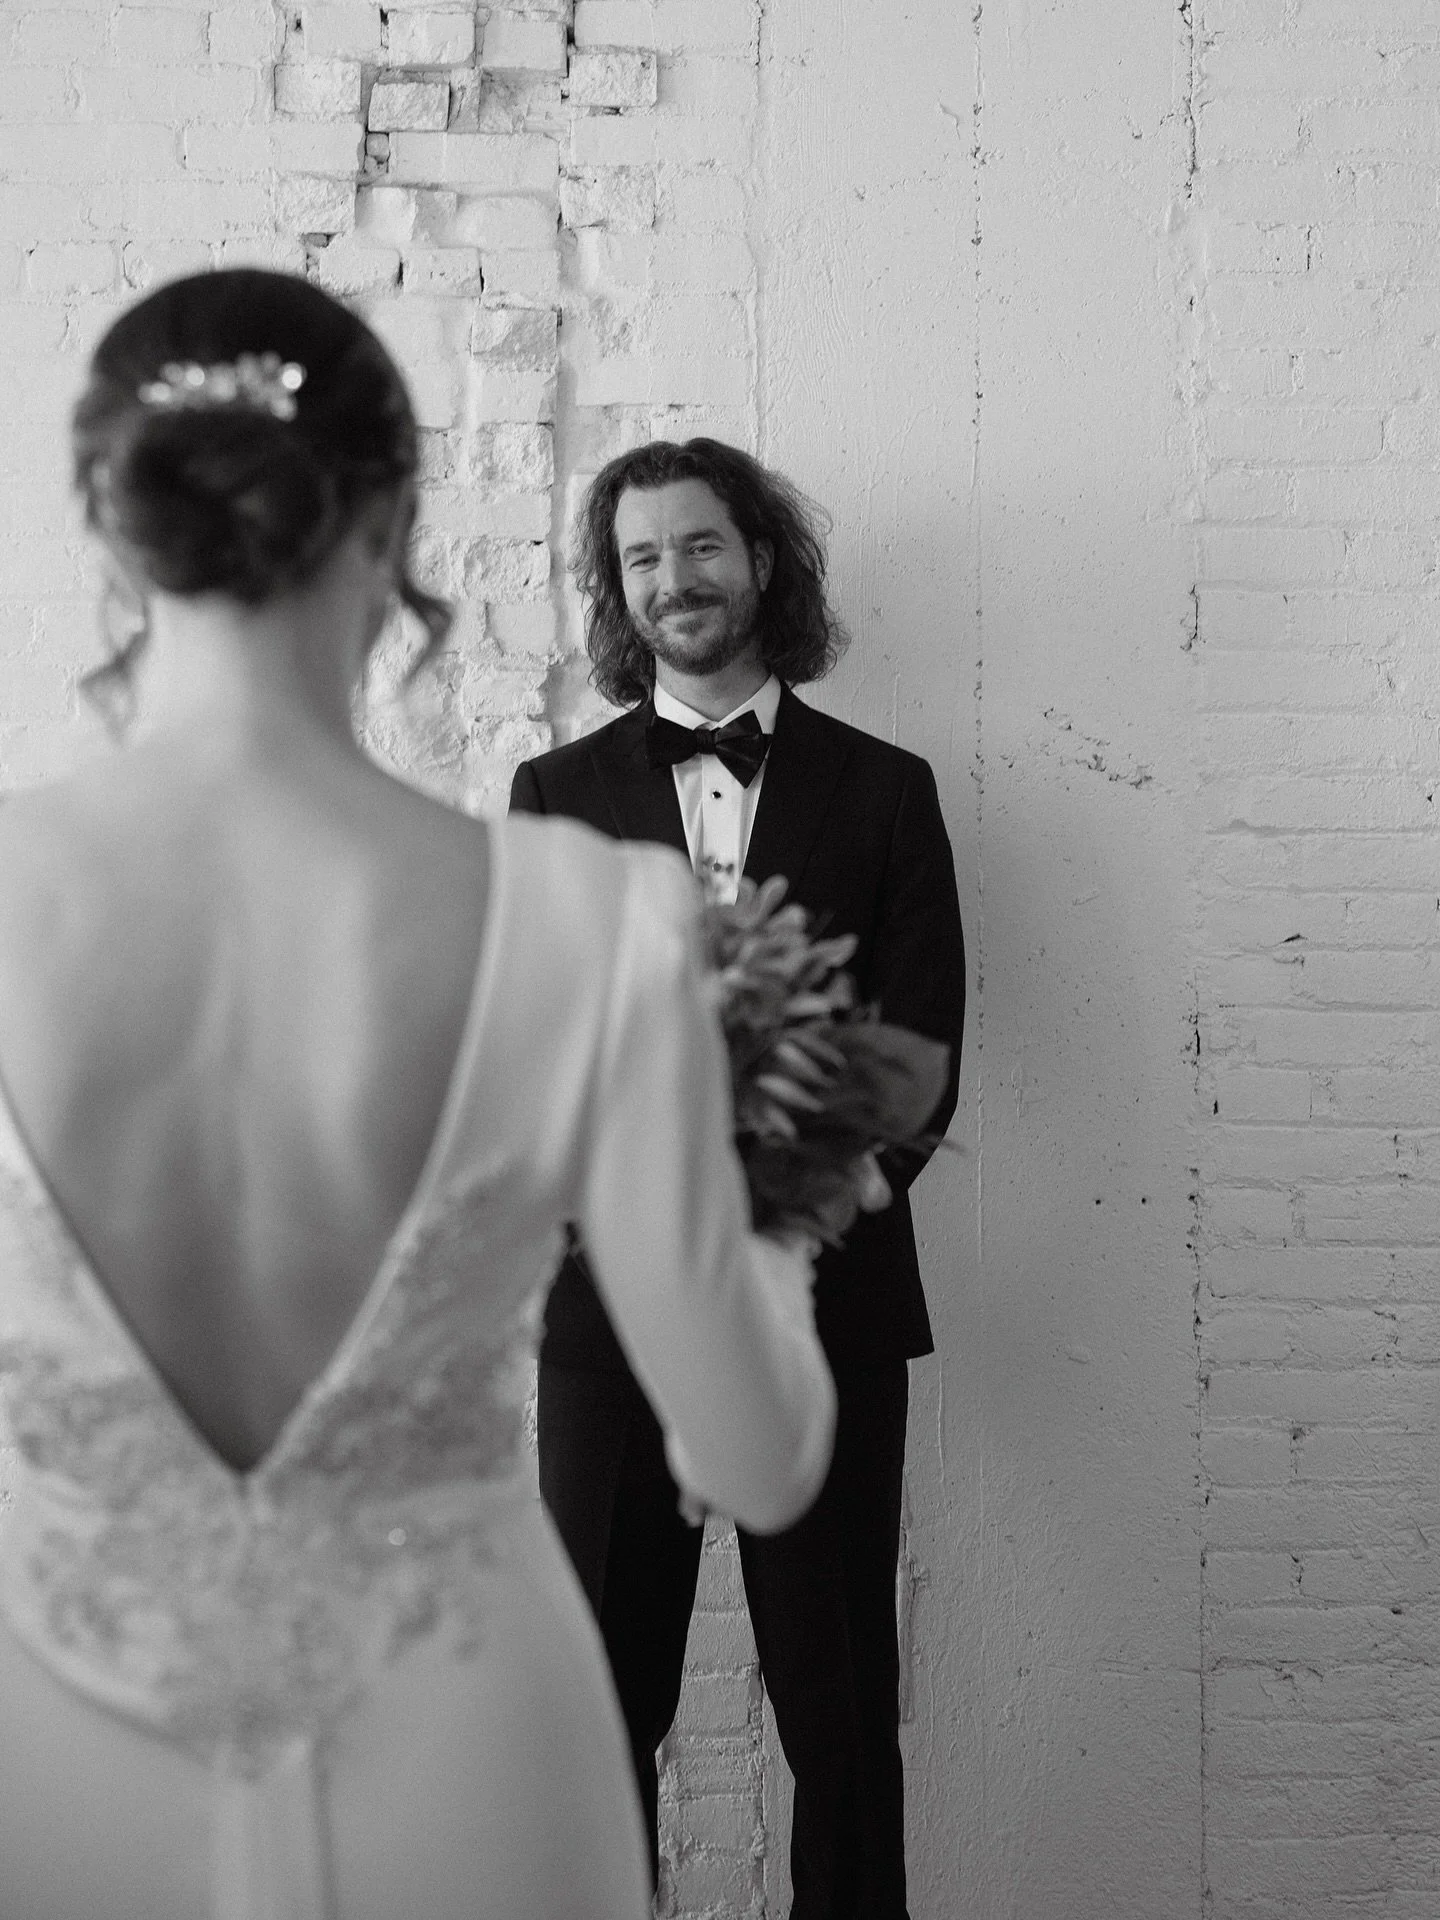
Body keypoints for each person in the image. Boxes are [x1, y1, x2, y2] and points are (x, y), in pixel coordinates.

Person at [0, 273, 836, 1920]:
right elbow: (758, 1459)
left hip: (48, 1740)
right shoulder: (597, 918)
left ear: (109, 527)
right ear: (393, 520)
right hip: (473, 1758)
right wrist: (778, 1231)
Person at [510, 438, 966, 1919]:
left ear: (763, 561)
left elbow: (912, 1051)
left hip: (824, 1308)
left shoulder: (887, 792)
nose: (673, 582)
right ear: (617, 589)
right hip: (610, 1326)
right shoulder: (553, 791)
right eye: (642, 559)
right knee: (592, 1712)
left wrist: (771, 1225)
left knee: (838, 1713)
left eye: (700, 548)